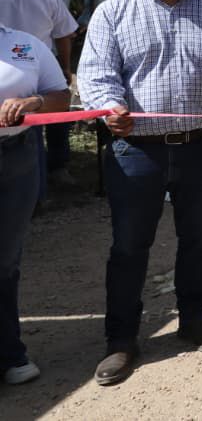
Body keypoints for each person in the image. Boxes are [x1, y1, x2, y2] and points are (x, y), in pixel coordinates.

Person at [77, 0, 202, 386]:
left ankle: (194, 320)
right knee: (129, 246)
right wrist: (110, 108)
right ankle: (121, 339)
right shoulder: (112, 13)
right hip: (136, 151)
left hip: (200, 146)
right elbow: (96, 74)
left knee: (199, 239)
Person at [0, 24, 69, 386]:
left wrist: (34, 103)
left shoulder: (23, 43)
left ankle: (10, 353)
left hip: (18, 157)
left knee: (6, 259)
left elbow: (61, 96)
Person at [13, 0, 103, 188]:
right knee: (21, 111)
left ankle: (58, 166)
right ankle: (27, 172)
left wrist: (78, 26)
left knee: (57, 109)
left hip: (52, 52)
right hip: (12, 56)